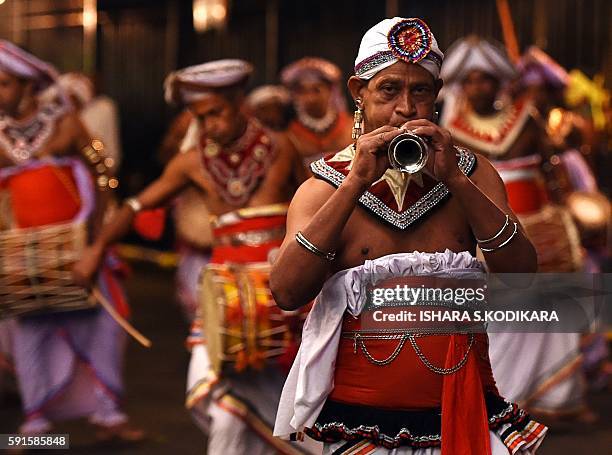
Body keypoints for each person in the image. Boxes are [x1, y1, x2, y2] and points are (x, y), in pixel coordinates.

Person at [271, 17, 547, 454]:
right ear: (357, 92)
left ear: (436, 96)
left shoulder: (472, 175)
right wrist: (354, 184)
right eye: (388, 90)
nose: (406, 107)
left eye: (420, 90)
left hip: (464, 414)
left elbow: (522, 277)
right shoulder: (322, 187)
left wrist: (456, 180)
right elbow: (286, 291)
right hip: (359, 422)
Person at [73, 59, 313, 454]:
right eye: (200, 117)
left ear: (240, 103)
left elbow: (316, 205)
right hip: (224, 295)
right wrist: (97, 249)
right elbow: (135, 206)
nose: (210, 125)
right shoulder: (191, 162)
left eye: (216, 113)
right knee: (217, 401)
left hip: (284, 294)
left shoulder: (280, 147)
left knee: (289, 396)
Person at [440, 37, 591, 421]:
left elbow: (551, 167)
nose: (478, 87)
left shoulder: (526, 118)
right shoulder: (452, 130)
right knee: (500, 321)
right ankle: (504, 397)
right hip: (489, 238)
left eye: (485, 79)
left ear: (498, 83)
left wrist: (567, 210)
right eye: (470, 80)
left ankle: (557, 398)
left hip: (542, 231)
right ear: (462, 85)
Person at [0, 40, 141, 441]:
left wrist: (96, 241)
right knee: (30, 338)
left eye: (5, 84)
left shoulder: (66, 123)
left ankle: (109, 417)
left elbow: (102, 176)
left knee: (106, 328)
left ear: (28, 86)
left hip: (82, 250)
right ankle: (36, 426)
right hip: (24, 258)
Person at [281, 57, 352, 166]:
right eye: (302, 91)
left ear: (330, 91)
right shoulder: (290, 133)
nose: (310, 98)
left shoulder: (351, 126)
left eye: (316, 90)